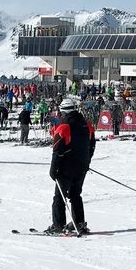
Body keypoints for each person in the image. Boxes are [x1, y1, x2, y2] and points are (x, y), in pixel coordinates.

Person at [46, 98, 97, 234]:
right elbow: (92, 145)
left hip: (66, 168)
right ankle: (79, 222)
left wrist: (53, 170)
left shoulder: (63, 126)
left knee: (59, 197)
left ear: (62, 111)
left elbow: (57, 150)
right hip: (82, 166)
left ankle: (58, 225)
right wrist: (87, 161)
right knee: (75, 194)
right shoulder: (86, 125)